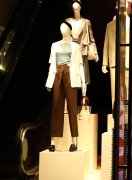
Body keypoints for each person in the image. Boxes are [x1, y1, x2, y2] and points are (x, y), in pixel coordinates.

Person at [45, 21, 86, 152]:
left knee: (72, 108)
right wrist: (49, 81)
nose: (62, 30)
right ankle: (53, 142)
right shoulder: (54, 45)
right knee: (56, 106)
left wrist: (83, 81)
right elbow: (51, 64)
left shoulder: (75, 46)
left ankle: (74, 142)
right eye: (60, 28)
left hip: (70, 74)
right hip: (57, 73)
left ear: (69, 29)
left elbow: (80, 64)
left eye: (64, 28)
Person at [66, 0, 99, 85]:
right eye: (74, 8)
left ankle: (84, 96)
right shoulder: (68, 21)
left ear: (80, 8)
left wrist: (95, 53)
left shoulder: (86, 22)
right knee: (70, 76)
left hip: (82, 51)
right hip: (70, 51)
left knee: (83, 77)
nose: (75, 10)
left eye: (77, 8)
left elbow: (91, 39)